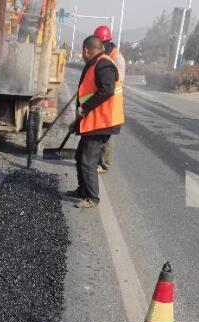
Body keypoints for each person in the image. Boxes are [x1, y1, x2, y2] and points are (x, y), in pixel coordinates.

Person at [67, 35, 124, 208]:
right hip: (94, 121)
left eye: (82, 52)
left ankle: (92, 198)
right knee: (80, 156)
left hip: (103, 122)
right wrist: (77, 122)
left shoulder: (103, 64)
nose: (82, 56)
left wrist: (84, 108)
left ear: (86, 50)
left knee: (88, 160)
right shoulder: (95, 63)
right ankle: (82, 190)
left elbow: (107, 90)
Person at [93, 25, 126, 174]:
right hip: (103, 101)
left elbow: (114, 83)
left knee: (108, 135)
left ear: (105, 42)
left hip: (112, 104)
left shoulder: (117, 59)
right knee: (99, 132)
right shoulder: (103, 56)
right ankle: (97, 159)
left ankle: (105, 164)